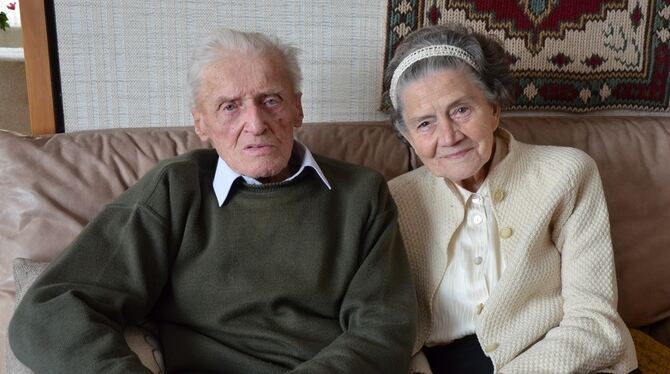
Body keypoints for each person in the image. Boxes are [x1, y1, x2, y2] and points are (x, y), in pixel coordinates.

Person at [9, 29, 417, 373]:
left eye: (271, 100)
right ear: (201, 124)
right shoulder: (175, 189)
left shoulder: (361, 193)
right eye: (230, 106)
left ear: (297, 107)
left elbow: (384, 330)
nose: (255, 123)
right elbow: (47, 311)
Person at [385, 24, 638, 373]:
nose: (448, 136)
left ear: (494, 108)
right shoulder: (393, 201)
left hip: (567, 358)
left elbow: (594, 321)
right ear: (408, 136)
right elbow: (389, 332)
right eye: (425, 123)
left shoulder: (567, 173)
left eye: (460, 110)